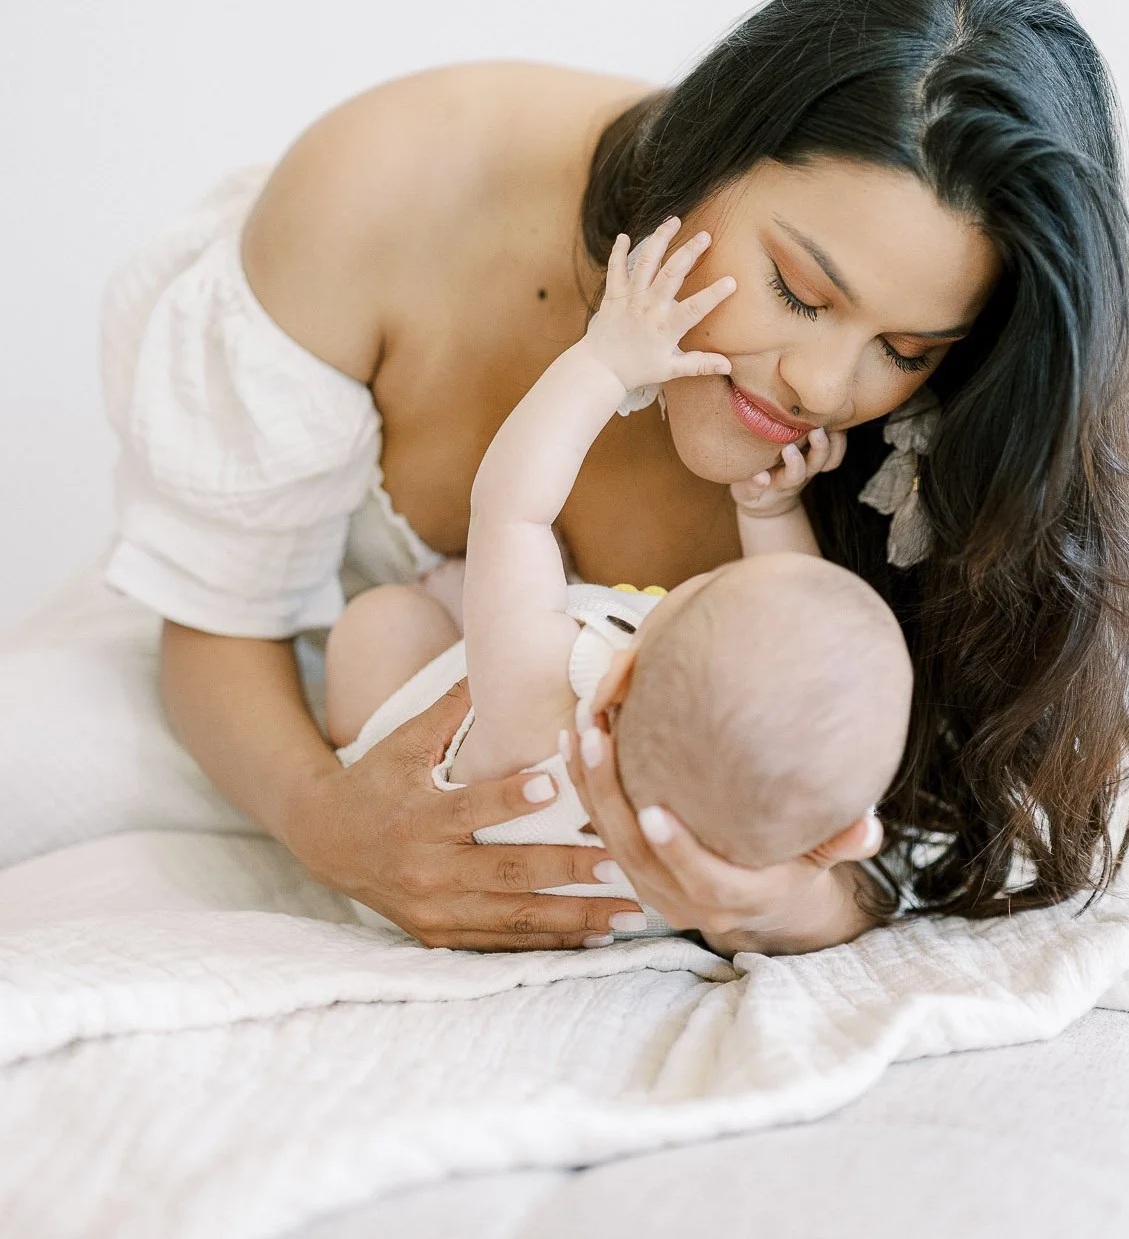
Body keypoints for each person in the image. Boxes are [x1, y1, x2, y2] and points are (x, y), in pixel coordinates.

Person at [101, 0, 1129, 953]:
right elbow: (219, 616)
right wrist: (327, 824)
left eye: (909, 349)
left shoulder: (905, 442)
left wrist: (781, 903)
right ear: (708, 151)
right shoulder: (387, 193)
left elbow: (901, 832)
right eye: (798, 290)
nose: (825, 390)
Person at [326, 218, 912, 943]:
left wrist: (602, 368)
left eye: (702, 592)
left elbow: (513, 511)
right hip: (550, 891)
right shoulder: (722, 858)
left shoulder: (540, 692)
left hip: (412, 833)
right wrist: (773, 506)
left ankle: (392, 696)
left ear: (621, 678)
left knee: (382, 623)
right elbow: (787, 600)